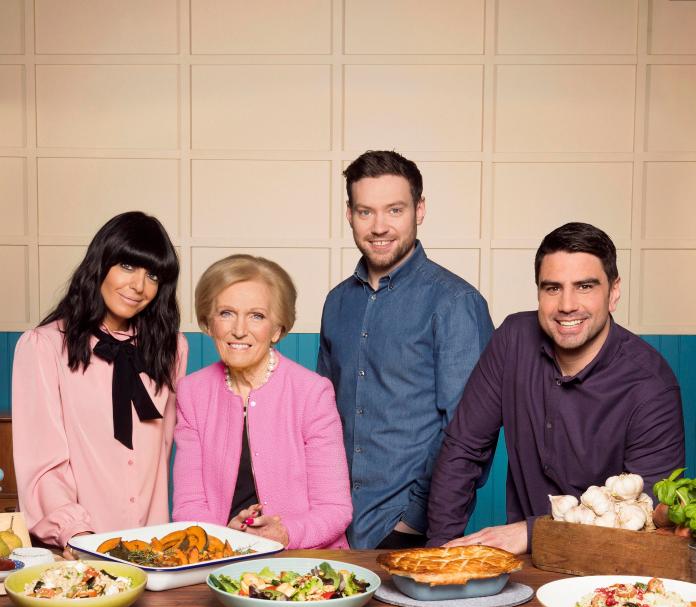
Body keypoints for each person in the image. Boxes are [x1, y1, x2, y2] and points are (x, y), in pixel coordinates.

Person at [427, 221, 686, 554]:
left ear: (614, 291)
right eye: (552, 288)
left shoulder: (651, 385)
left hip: (606, 572)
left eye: (585, 286)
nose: (567, 305)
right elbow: (463, 449)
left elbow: (646, 513)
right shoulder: (513, 340)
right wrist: (437, 554)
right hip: (522, 568)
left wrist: (535, 532)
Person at [317, 150, 493, 550]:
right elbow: (321, 418)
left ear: (420, 209)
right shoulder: (337, 303)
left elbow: (470, 431)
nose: (379, 226)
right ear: (349, 214)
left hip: (410, 530)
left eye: (394, 210)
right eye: (365, 212)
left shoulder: (455, 303)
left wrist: (414, 521)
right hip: (335, 526)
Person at [12, 211, 188, 550]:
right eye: (126, 266)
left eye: (152, 274)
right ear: (100, 264)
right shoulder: (44, 347)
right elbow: (43, 460)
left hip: (151, 550)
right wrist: (76, 535)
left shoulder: (171, 349)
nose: (139, 286)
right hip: (75, 549)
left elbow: (163, 450)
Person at [172, 254, 352, 549]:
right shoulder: (193, 392)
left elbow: (335, 509)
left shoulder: (312, 393)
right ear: (208, 322)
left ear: (278, 329)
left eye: (257, 316)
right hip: (220, 562)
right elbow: (189, 504)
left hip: (305, 565)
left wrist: (284, 535)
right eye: (227, 313)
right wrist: (222, 540)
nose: (239, 329)